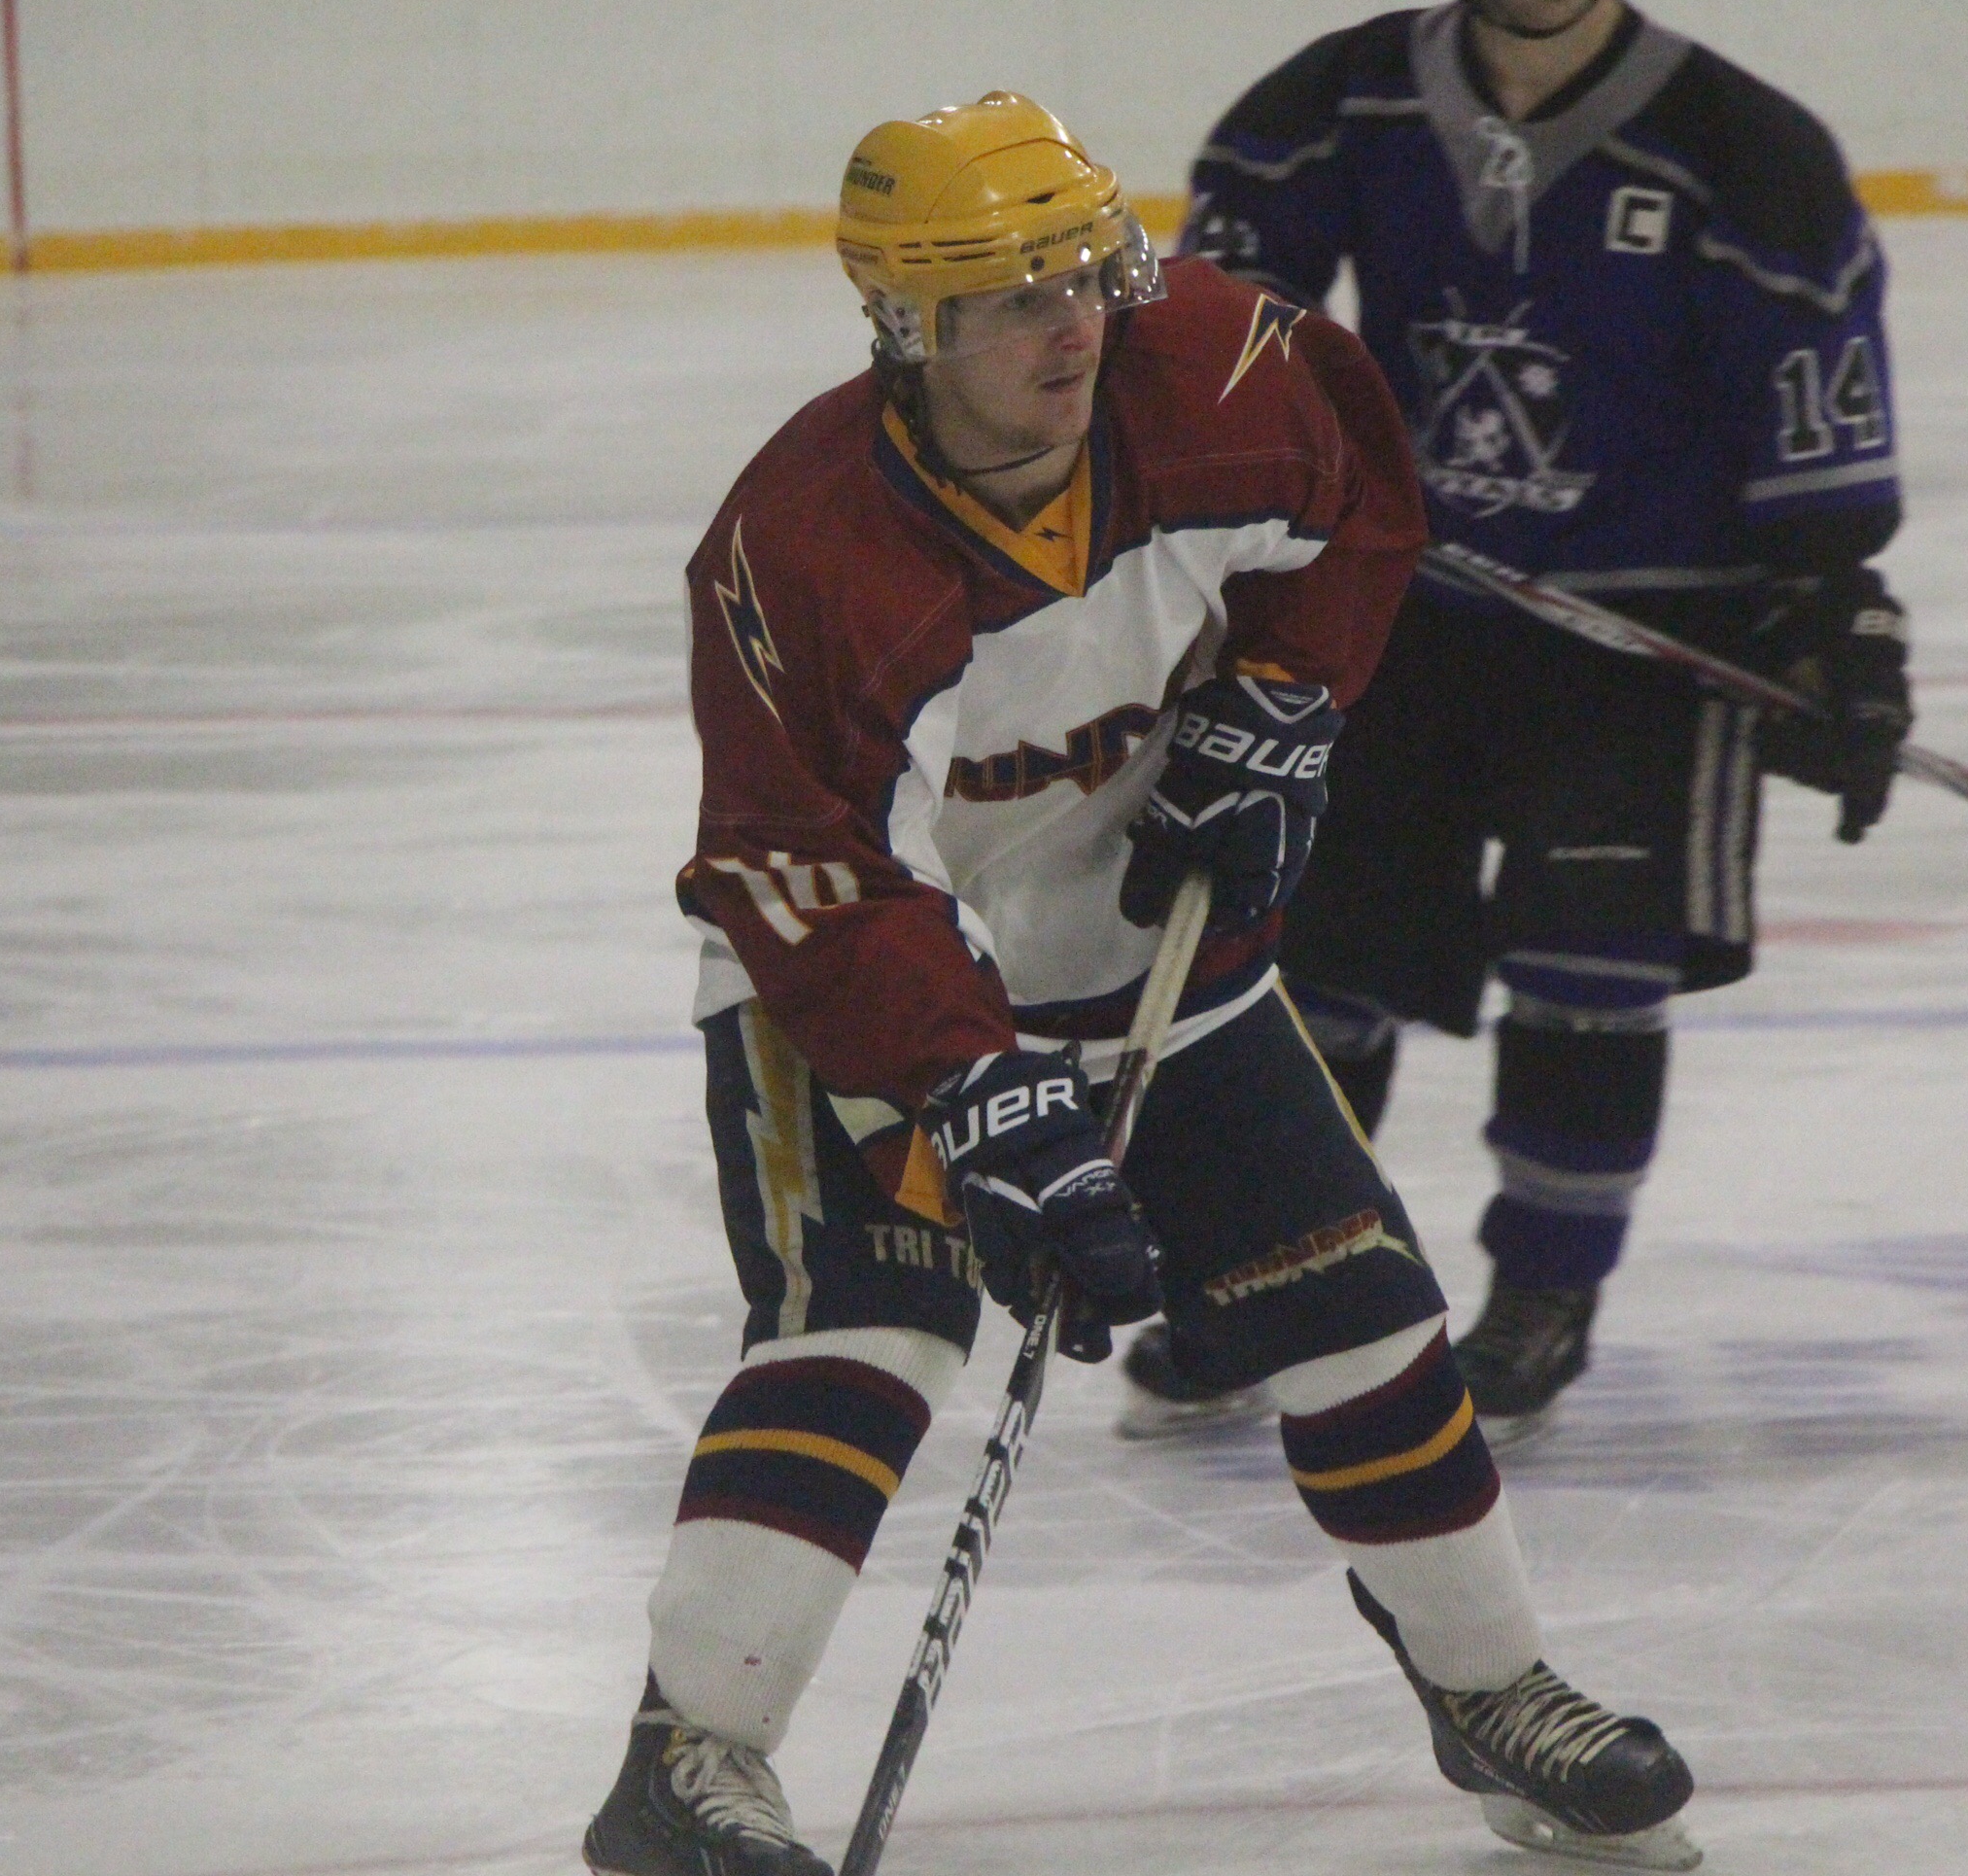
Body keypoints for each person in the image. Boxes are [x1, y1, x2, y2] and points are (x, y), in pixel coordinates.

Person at [583, 92, 1702, 1876]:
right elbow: (816, 873)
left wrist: (1285, 702)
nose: (1074, 326)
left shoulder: (1230, 372)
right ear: (910, 325)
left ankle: (1492, 1691)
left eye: (1086, 275)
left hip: (1146, 947)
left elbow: (1361, 518)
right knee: (873, 1329)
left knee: (1359, 1317)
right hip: (856, 984)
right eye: (1014, 298)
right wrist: (981, 1086)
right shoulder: (805, 547)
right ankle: (687, 1762)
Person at [1122, 0, 1915, 1442]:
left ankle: (1545, 1295)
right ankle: (1270, 1280)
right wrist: (1241, 518)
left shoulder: (1745, 147)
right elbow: (1227, 331)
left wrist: (1836, 612)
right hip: (1402, 612)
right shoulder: (1344, 100)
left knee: (1588, 974)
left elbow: (1814, 386)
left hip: (1648, 633)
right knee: (1317, 963)